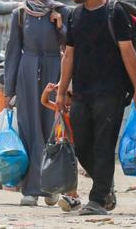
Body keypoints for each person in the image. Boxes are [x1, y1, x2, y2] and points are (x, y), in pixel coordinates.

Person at [55, 0, 136, 216]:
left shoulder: (114, 12)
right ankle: (106, 188)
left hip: (111, 91)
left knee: (103, 145)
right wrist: (62, 91)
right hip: (82, 92)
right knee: (82, 145)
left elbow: (128, 53)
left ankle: (97, 200)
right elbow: (68, 56)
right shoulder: (74, 15)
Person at [3, 0, 70, 207]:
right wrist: (8, 90)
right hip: (27, 74)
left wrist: (60, 25)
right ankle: (30, 190)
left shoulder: (61, 11)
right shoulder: (20, 14)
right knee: (29, 128)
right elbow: (12, 52)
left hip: (54, 73)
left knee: (53, 129)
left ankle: (51, 186)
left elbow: (71, 46)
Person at [41, 83, 81, 212]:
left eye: (62, 96)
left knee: (71, 170)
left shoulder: (73, 111)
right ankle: (60, 191)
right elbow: (44, 101)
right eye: (57, 96)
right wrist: (47, 91)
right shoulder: (58, 108)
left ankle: (73, 197)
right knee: (58, 167)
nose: (59, 99)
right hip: (58, 143)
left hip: (70, 145)